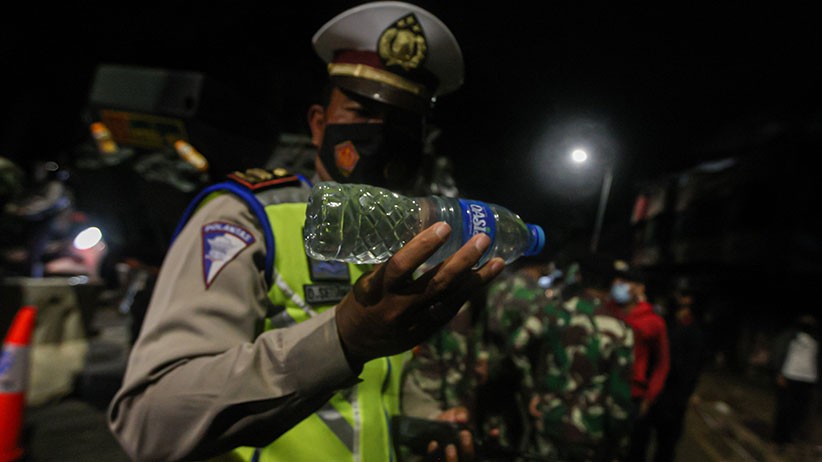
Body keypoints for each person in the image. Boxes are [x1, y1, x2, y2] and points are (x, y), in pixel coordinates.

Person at [107, 3, 505, 462]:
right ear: (319, 124)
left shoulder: (408, 242)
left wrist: (422, 418)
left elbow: (373, 394)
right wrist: (342, 339)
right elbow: (148, 419)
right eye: (362, 111)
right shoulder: (249, 218)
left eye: (402, 122)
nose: (381, 134)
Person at [520, 257, 635, 462]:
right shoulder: (620, 330)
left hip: (548, 419)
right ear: (611, 284)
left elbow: (517, 344)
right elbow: (619, 394)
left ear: (579, 278)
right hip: (588, 431)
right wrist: (619, 437)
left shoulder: (552, 312)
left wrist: (531, 392)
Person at [601, 261, 670, 462]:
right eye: (619, 280)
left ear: (640, 288)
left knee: (625, 449)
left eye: (627, 281)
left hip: (631, 395)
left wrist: (649, 396)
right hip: (601, 390)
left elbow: (662, 363)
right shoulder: (606, 311)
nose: (620, 284)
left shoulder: (653, 322)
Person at [644, 288, 707, 462]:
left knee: (666, 444)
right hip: (657, 391)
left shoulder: (694, 332)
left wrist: (685, 394)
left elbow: (692, 367)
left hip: (674, 396)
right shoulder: (667, 324)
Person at [770, 314, 820, 450]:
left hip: (807, 380)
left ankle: (789, 438)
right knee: (784, 409)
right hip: (789, 376)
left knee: (798, 411)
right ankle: (778, 439)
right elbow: (778, 353)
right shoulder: (788, 337)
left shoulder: (815, 341)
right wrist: (779, 373)